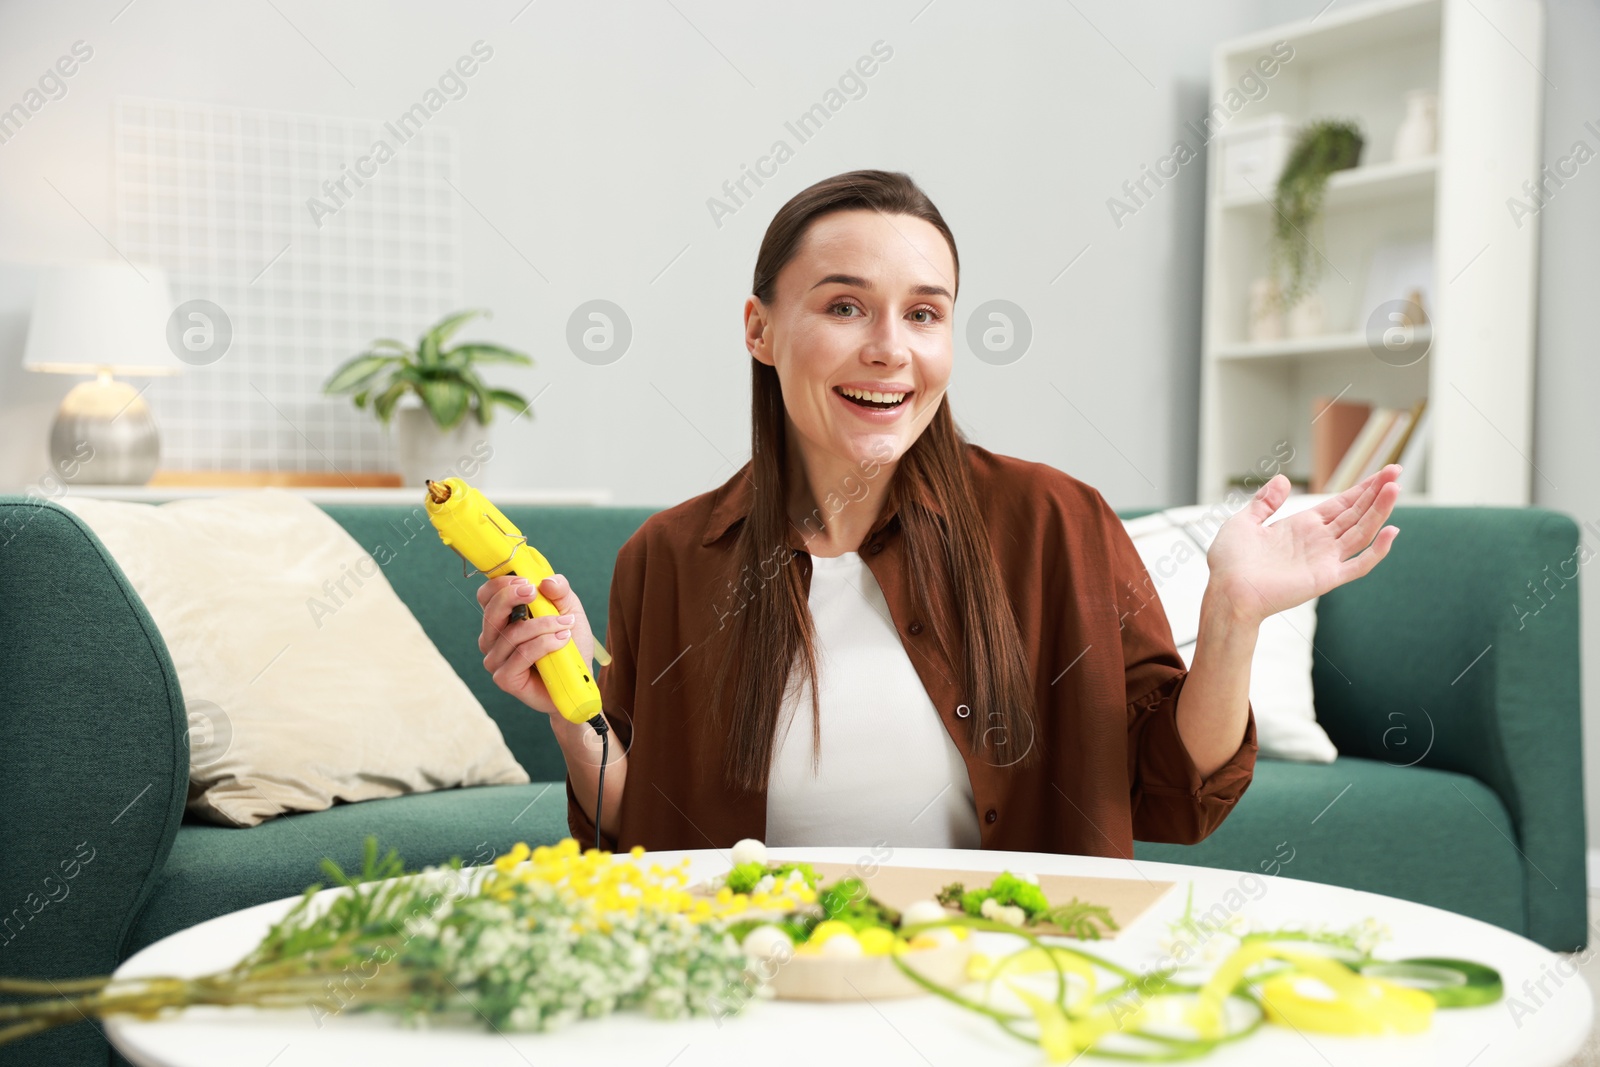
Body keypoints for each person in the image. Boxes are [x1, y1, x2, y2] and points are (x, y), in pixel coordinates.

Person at [475, 169, 1400, 856]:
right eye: (846, 306)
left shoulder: (1056, 521)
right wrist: (572, 718)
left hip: (1002, 978)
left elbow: (1175, 797)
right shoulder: (668, 557)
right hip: (755, 981)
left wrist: (1231, 619)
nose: (890, 351)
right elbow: (643, 838)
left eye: (924, 315)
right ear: (758, 328)